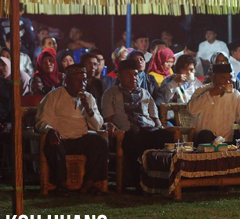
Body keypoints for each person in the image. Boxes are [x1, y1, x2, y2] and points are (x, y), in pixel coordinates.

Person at [35, 64, 108, 196]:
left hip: (80, 139)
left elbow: (97, 126)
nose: (83, 83)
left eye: (85, 80)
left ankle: (88, 184)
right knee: (53, 143)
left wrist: (89, 110)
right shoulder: (54, 96)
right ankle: (62, 185)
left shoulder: (89, 98)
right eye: (78, 80)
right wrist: (50, 130)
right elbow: (41, 121)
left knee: (101, 141)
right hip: (61, 139)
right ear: (67, 80)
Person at [101, 59, 174, 189]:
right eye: (128, 74)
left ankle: (160, 180)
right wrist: (113, 129)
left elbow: (155, 117)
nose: (133, 78)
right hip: (126, 132)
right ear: (119, 76)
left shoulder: (144, 93)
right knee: (134, 138)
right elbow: (108, 119)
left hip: (147, 129)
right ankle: (137, 181)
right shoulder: (111, 93)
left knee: (166, 136)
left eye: (135, 74)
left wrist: (160, 129)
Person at [188, 63, 240, 145]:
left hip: (226, 141)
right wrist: (211, 94)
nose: (227, 82)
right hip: (204, 141)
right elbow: (191, 110)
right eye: (223, 78)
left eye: (229, 78)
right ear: (213, 79)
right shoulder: (202, 91)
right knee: (206, 134)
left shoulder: (235, 94)